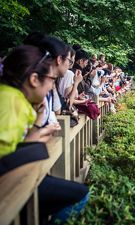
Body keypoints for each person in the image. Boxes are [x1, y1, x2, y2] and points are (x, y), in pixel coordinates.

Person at [0, 45, 89, 224]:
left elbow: (17, 148)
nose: (52, 86)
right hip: (10, 190)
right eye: (52, 79)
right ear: (34, 79)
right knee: (81, 195)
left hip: (20, 183)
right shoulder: (11, 102)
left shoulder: (19, 100)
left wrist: (40, 125)